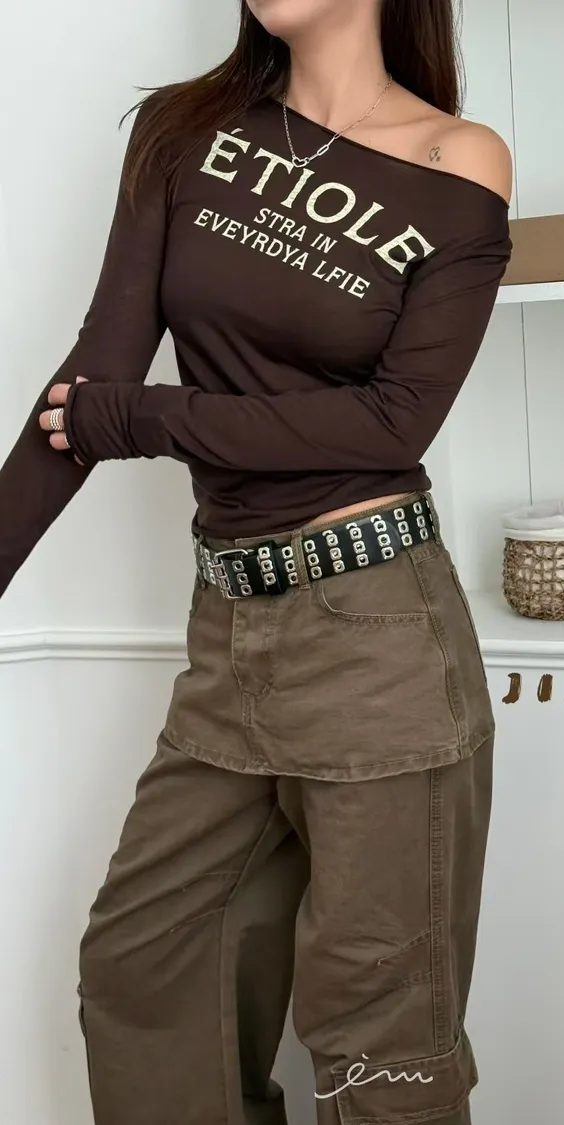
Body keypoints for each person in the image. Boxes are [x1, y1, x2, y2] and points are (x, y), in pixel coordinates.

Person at [0, 0, 513, 1121]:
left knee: (381, 1042)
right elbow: (88, 382)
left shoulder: (456, 158)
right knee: (146, 972)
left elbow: (392, 423)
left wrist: (145, 419)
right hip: (226, 635)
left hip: (379, 635)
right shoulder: (183, 131)